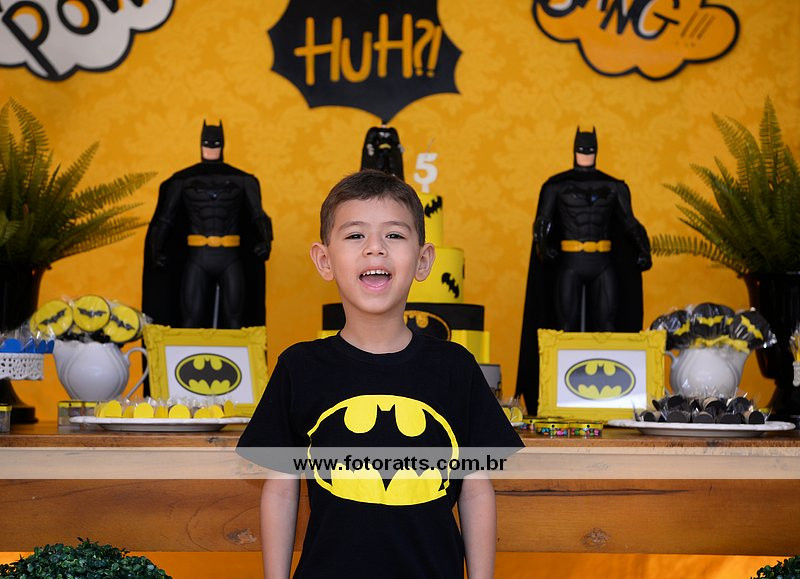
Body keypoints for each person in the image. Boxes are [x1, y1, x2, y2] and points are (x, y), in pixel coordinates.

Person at [237, 170, 522, 578]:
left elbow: (475, 490)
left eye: (394, 235)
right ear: (324, 260)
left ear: (423, 260)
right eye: (355, 235)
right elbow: (282, 490)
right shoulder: (299, 367)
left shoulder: (455, 368)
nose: (375, 248)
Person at [516, 127, 651, 413]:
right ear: (575, 149)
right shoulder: (556, 186)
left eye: (589, 149)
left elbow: (630, 223)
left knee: (608, 329)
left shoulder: (614, 187)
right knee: (564, 331)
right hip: (570, 261)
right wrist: (542, 248)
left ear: (596, 150)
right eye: (582, 148)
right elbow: (542, 223)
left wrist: (643, 250)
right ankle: (561, 396)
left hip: (602, 261)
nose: (585, 153)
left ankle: (611, 397)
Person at [142, 121, 273, 329]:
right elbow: (165, 219)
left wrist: (266, 241)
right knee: (190, 321)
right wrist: (155, 250)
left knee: (235, 322)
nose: (211, 148)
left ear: (223, 145)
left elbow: (258, 215)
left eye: (215, 143)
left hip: (230, 257)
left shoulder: (243, 181)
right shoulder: (182, 181)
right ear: (200, 144)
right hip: (197, 257)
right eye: (207, 143)